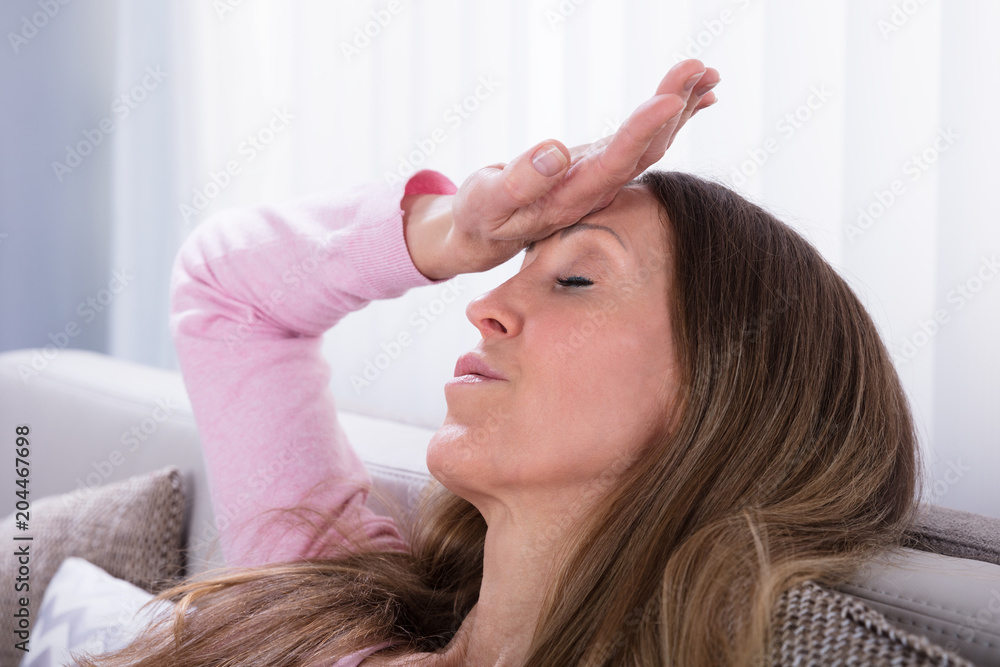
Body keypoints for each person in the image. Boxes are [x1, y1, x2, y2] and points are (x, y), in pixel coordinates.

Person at [78, 58, 956, 666]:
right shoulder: (336, 589)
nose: (484, 303)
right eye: (518, 269)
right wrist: (457, 230)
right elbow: (228, 292)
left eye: (575, 278)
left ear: (725, 399)